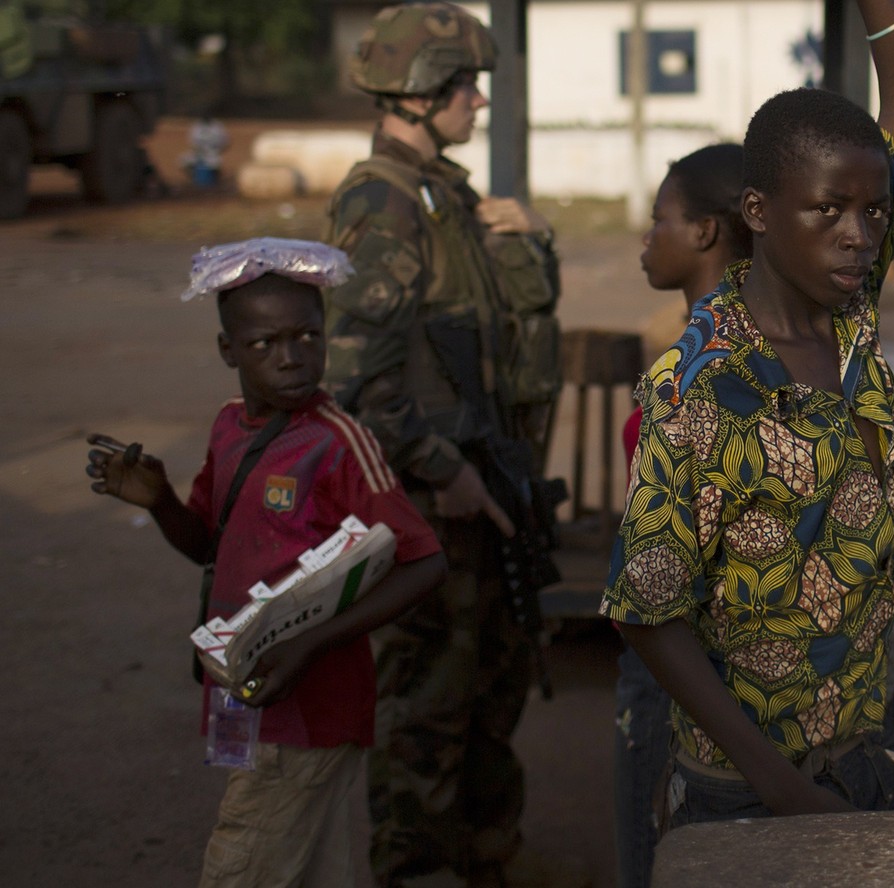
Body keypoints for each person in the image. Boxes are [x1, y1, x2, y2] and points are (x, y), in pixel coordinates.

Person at [600, 0, 894, 827]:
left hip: (864, 756)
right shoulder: (699, 385)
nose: (860, 235)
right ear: (758, 214)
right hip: (746, 790)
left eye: (872, 211)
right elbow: (649, 614)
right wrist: (782, 790)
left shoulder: (847, 307)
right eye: (829, 209)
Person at [83, 238, 447, 887]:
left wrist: (308, 646)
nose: (292, 359)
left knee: (240, 867)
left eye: (308, 336)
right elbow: (208, 546)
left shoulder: (338, 443)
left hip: (311, 707)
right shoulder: (229, 428)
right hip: (254, 696)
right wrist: (162, 501)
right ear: (229, 351)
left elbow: (424, 563)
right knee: (310, 868)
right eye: (265, 344)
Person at [320, 4, 571, 886]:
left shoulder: (446, 194)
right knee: (427, 704)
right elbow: (354, 378)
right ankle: (417, 870)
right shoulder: (383, 201)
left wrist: (526, 240)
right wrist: (443, 471)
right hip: (435, 502)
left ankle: (482, 856)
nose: (477, 99)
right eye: (464, 84)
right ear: (419, 91)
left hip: (482, 489)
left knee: (488, 691)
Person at [615, 142, 751, 888]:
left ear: (704, 232)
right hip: (711, 652)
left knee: (658, 856)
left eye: (658, 220)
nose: (646, 238)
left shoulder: (700, 370)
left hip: (674, 658)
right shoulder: (758, 341)